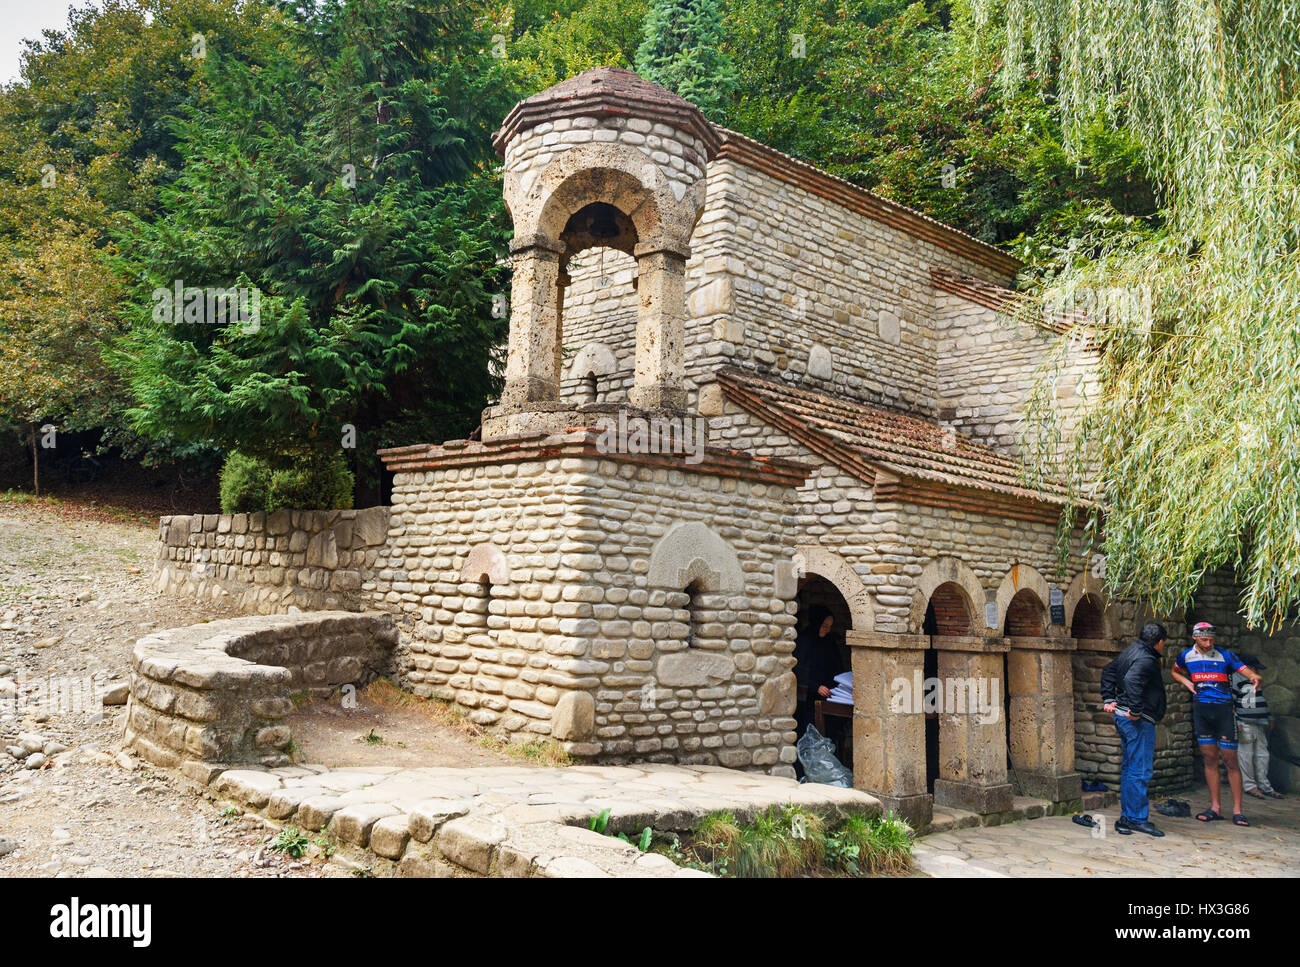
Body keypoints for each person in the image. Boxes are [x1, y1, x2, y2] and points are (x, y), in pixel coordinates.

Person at [1171, 621, 1263, 826]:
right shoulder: (1186, 656)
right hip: (1201, 711)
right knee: (1209, 758)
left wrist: (1254, 676)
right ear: (1195, 637)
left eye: (1212, 638)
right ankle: (1216, 807)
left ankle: (1238, 810)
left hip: (1223, 711)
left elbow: (1243, 669)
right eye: (1204, 639)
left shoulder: (1224, 655)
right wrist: (1186, 682)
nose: (1209, 642)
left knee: (1230, 760)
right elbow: (1175, 671)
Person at [1100, 621, 1169, 837]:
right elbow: (1131, 680)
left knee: (1130, 768)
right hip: (1137, 722)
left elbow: (1108, 671)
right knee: (1140, 770)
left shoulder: (1131, 651)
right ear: (1159, 642)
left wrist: (1109, 697)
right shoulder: (1147, 659)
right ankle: (1136, 818)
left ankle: (1128, 816)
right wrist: (1136, 710)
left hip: (1123, 719)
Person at [1231, 651, 1283, 801]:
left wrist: (1268, 716)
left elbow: (1260, 699)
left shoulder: (1255, 680)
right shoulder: (1235, 679)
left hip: (1259, 723)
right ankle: (1250, 786)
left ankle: (1265, 786)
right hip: (1245, 723)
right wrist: (1237, 722)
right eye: (1254, 668)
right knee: (1246, 755)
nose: (1257, 671)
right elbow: (1232, 701)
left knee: (1262, 755)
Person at [793, 605, 842, 739]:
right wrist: (816, 687)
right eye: (825, 625)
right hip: (808, 698)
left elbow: (837, 667)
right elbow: (798, 669)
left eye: (830, 626)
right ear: (817, 622)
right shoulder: (804, 640)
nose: (828, 629)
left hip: (828, 695)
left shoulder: (829, 641)